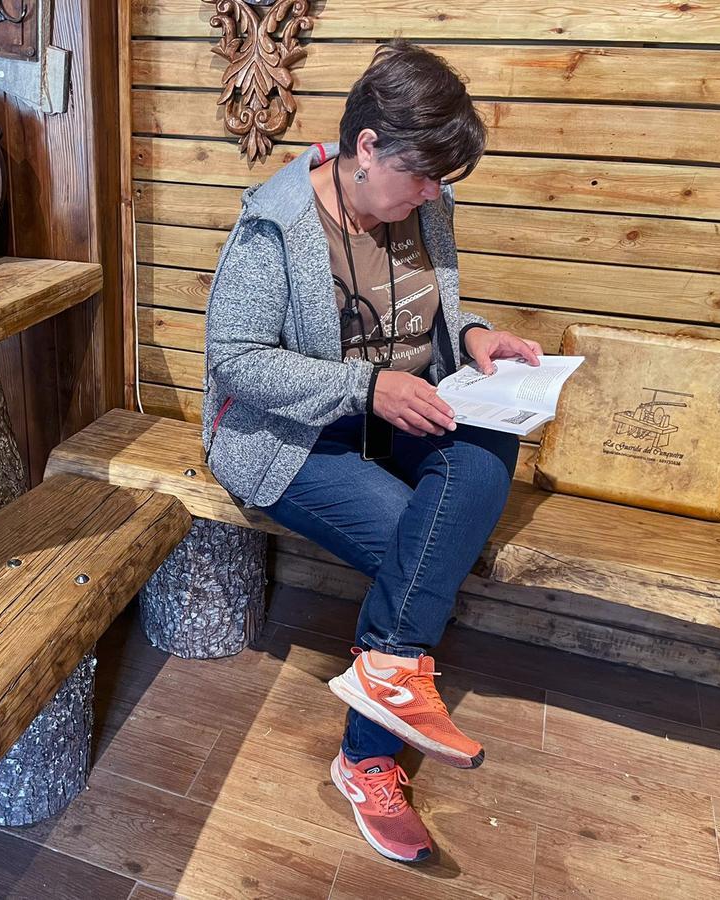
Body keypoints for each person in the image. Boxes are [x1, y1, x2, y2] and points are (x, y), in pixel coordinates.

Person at [201, 40, 542, 864]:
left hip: (394, 415)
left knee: (490, 444)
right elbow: (236, 359)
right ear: (365, 147)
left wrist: (473, 335)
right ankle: (368, 756)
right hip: (289, 438)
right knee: (417, 542)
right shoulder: (275, 223)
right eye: (422, 174)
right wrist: (365, 389)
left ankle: (384, 674)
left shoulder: (427, 206)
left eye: (442, 181)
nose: (433, 193)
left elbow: (438, 310)